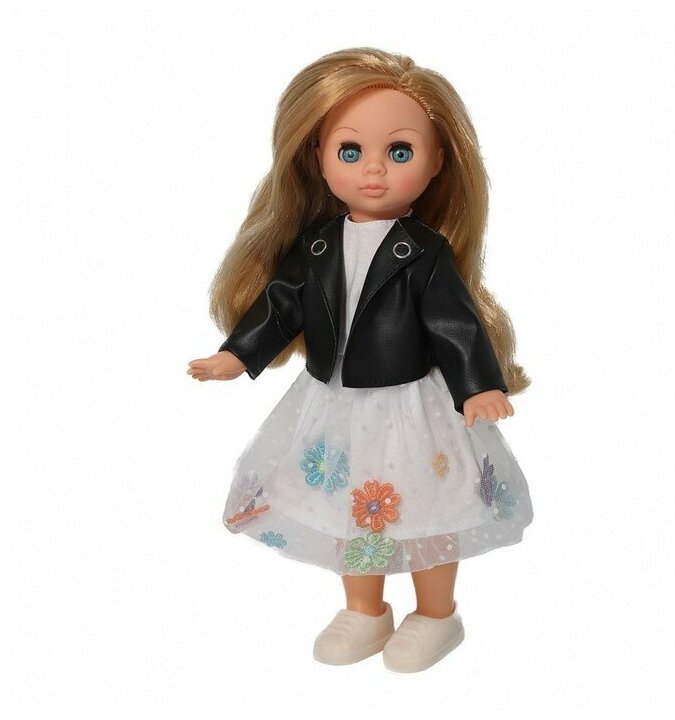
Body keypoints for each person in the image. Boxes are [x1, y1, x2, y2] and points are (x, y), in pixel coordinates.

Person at [187, 47, 533, 673]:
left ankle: (436, 614)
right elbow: (282, 305)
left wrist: (477, 385)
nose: (373, 169)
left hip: (410, 404)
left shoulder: (423, 251)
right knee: (353, 508)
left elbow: (454, 322)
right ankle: (366, 610)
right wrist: (237, 355)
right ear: (316, 157)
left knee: (429, 507)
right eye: (350, 151)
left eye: (399, 151)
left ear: (436, 163)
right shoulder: (317, 245)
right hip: (335, 401)